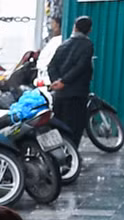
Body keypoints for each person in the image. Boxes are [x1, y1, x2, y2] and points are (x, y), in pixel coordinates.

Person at [46, 16, 94, 149]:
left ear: (75, 27)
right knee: (74, 128)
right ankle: (72, 159)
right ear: (90, 30)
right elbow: (81, 66)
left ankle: (59, 157)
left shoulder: (64, 45)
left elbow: (51, 66)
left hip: (60, 95)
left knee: (59, 128)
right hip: (76, 95)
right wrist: (64, 82)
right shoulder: (87, 45)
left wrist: (57, 82)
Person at [35, 15, 64, 84]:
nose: (51, 27)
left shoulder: (57, 41)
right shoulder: (55, 40)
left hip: (47, 74)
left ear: (58, 25)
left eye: (52, 23)